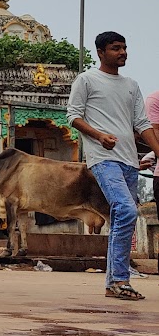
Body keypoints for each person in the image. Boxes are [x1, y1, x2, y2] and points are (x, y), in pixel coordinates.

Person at [67, 31, 159, 302]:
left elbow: (142, 124)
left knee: (123, 218)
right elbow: (73, 116)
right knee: (126, 209)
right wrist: (99, 136)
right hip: (102, 158)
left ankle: (114, 283)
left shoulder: (131, 84)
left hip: (129, 160)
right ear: (101, 52)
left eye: (124, 48)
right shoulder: (87, 79)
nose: (122, 52)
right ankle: (120, 279)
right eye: (116, 48)